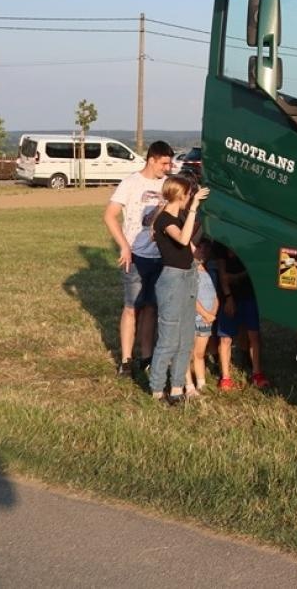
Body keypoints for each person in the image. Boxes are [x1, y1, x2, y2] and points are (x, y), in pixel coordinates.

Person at [104, 141, 175, 378]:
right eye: (164, 163)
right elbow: (110, 215)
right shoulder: (131, 183)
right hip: (135, 256)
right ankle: (126, 360)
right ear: (152, 159)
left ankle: (147, 356)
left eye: (170, 163)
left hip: (160, 257)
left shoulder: (167, 184)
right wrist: (124, 245)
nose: (168, 167)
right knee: (132, 308)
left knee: (151, 308)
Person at [149, 176, 209, 404]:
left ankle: (176, 388)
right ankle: (156, 389)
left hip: (188, 277)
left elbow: (192, 248)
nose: (191, 198)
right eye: (189, 194)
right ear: (180, 195)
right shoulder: (164, 220)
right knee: (169, 338)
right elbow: (183, 240)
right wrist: (194, 209)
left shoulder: (177, 217)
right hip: (172, 281)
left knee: (185, 338)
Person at [216, 243, 267, 390]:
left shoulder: (248, 238)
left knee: (254, 335)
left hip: (250, 294)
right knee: (225, 337)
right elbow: (222, 274)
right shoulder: (221, 242)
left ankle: (257, 373)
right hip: (231, 295)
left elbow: (256, 268)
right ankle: (225, 377)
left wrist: (237, 276)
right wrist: (228, 297)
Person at [188, 238, 219, 394]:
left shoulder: (208, 271)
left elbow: (215, 296)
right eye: (200, 248)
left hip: (207, 320)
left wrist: (213, 311)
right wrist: (205, 313)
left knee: (200, 353)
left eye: (206, 249)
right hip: (195, 318)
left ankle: (201, 383)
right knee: (188, 353)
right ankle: (189, 385)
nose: (203, 251)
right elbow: (191, 297)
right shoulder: (190, 272)